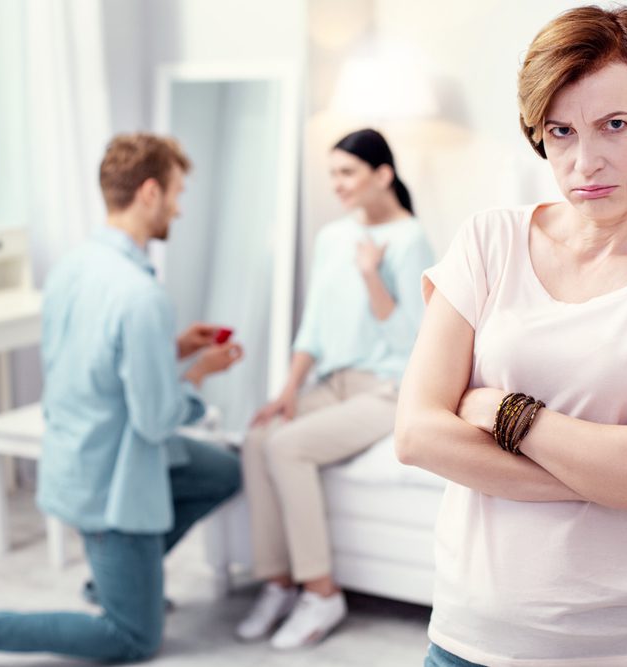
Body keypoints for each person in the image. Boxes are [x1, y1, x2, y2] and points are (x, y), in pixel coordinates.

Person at [394, 7, 627, 667]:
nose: (585, 162)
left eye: (615, 125)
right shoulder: (488, 241)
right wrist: (607, 471)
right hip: (467, 640)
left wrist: (501, 411)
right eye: (561, 131)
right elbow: (416, 434)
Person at [0, 132, 244, 665]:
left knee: (223, 471)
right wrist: (198, 374)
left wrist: (170, 349)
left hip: (78, 455)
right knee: (134, 637)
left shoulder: (71, 267)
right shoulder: (141, 295)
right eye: (176, 193)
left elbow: (94, 357)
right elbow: (156, 420)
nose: (179, 207)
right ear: (150, 192)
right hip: (113, 485)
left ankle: (117, 580)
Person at [235, 128, 435, 649]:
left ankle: (321, 592)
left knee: (287, 446)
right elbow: (315, 326)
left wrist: (372, 275)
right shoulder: (331, 237)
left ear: (382, 175)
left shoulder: (411, 240)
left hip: (389, 387)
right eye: (333, 175)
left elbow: (417, 339)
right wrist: (288, 389)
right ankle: (279, 582)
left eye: (347, 172)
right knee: (257, 438)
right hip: (333, 380)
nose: (338, 184)